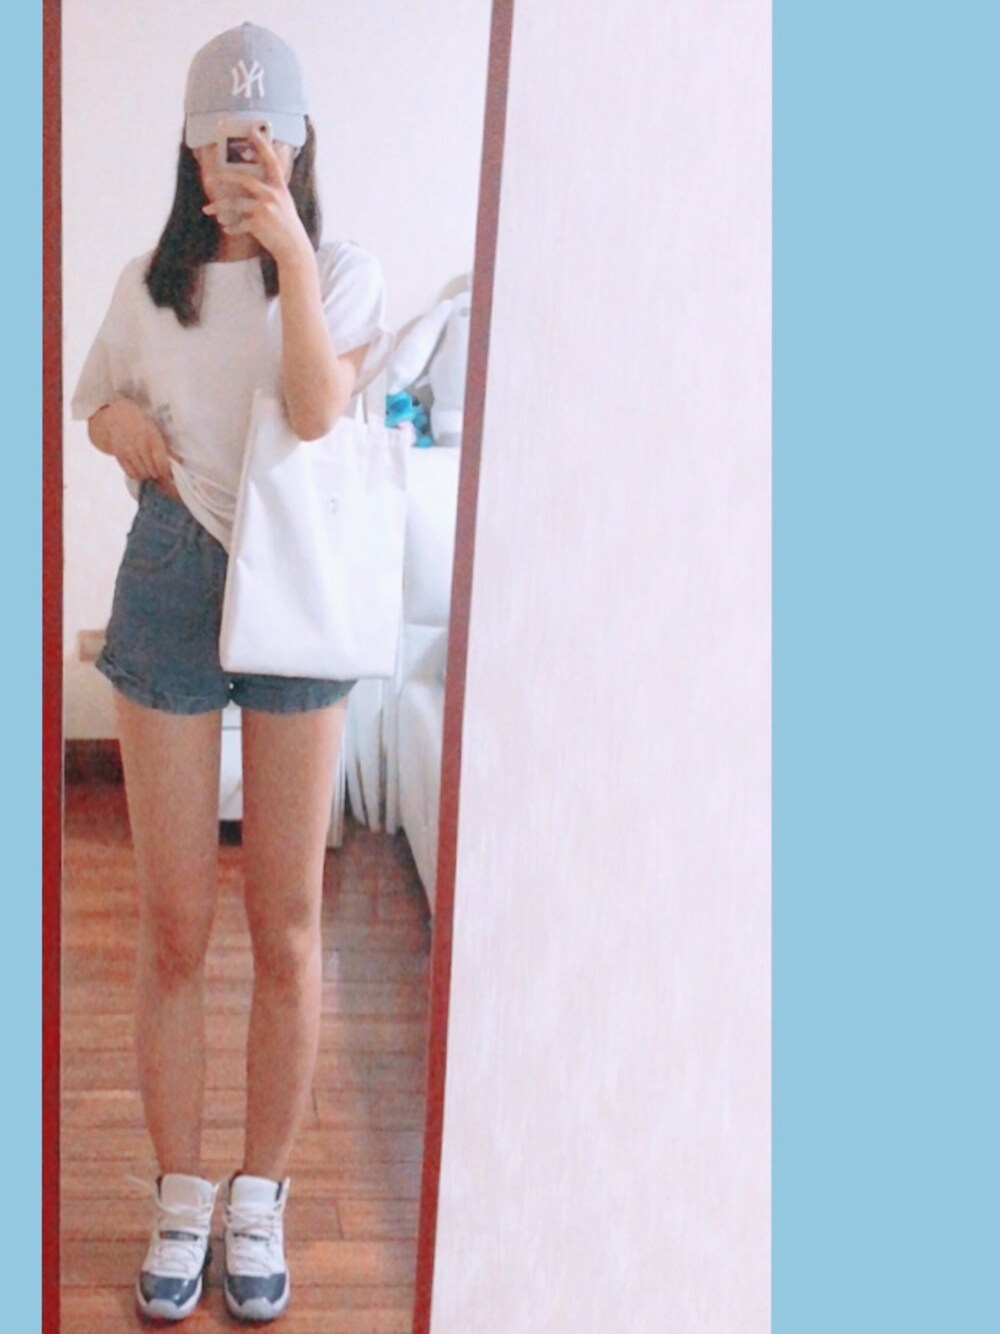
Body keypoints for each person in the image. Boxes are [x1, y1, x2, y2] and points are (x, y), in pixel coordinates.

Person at [70, 23, 393, 1324]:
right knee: (172, 926)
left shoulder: (346, 272)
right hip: (170, 574)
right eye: (220, 143)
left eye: (263, 140)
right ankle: (180, 1189)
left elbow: (313, 409)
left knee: (288, 926)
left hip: (297, 584)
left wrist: (292, 258)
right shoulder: (147, 284)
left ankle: (260, 1192)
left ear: (298, 145)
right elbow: (95, 400)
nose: (240, 163)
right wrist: (118, 426)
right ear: (190, 151)